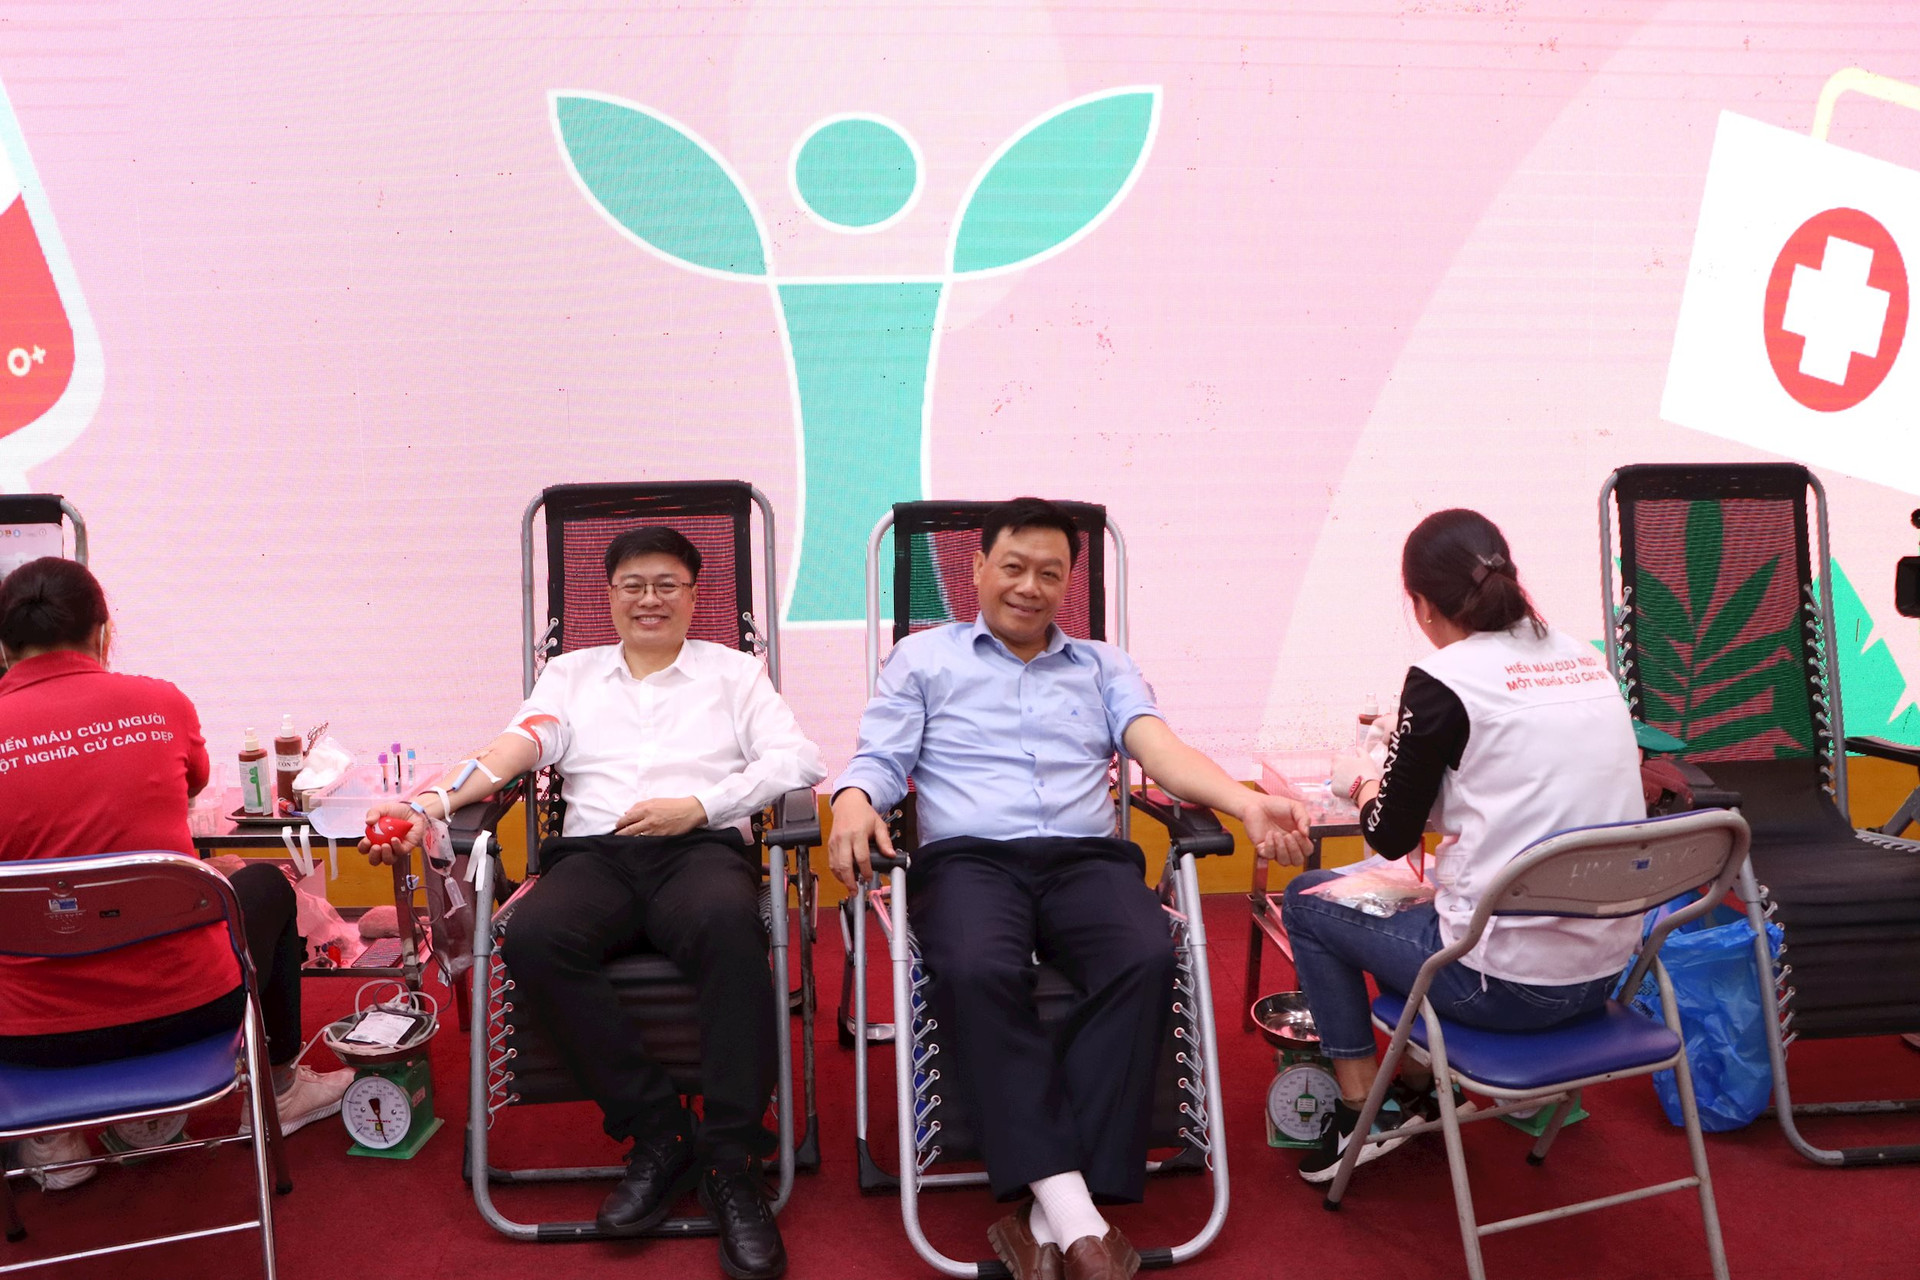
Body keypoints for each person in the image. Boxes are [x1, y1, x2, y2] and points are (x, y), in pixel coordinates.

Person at [828, 497, 1313, 1280]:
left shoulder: (1102, 665)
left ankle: (1046, 1214)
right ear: (977, 569)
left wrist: (1245, 802)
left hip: (1086, 859)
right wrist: (853, 799)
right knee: (976, 968)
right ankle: (1080, 1217)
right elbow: (881, 759)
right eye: (1013, 568)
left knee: (1145, 957)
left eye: (1050, 574)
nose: (1030, 587)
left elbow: (1159, 750)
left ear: (1068, 584)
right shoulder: (921, 660)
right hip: (971, 860)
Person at [361, 526, 823, 1280]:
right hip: (595, 857)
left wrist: (700, 806)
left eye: (667, 584)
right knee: (534, 937)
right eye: (633, 585)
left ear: (694, 595)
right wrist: (427, 805)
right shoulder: (570, 675)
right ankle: (660, 1131)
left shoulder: (735, 673)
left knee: (729, 926)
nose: (649, 599)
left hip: (699, 849)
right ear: (609, 596)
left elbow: (798, 758)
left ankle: (732, 1160)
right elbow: (516, 747)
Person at [1283, 508, 1646, 1183]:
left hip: (1499, 987)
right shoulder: (1584, 659)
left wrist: (1360, 780)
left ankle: (1365, 1111)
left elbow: (1390, 834)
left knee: (1309, 898)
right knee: (1430, 898)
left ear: (1420, 604)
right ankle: (1419, 1083)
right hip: (1605, 976)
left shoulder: (1442, 679)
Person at [0, 558, 352, 1189]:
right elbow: (189, 785)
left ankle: (49, 1139)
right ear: (104, 633)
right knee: (265, 886)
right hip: (188, 1016)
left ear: (4, 648)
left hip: (28, 1043)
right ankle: (276, 1088)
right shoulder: (158, 703)